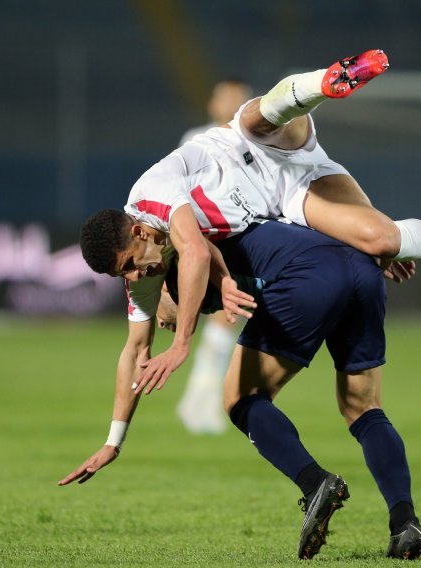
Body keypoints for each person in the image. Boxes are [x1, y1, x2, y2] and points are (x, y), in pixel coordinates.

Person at [77, 49, 421, 393]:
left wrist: (180, 343)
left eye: (136, 271)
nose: (140, 278)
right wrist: (113, 440)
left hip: (254, 142)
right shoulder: (157, 261)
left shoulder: (158, 200)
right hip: (286, 196)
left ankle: (328, 80)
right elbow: (141, 337)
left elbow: (196, 253)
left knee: (263, 117)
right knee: (383, 241)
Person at [59, 218, 421, 560]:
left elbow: (199, 258)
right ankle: (404, 523)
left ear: (139, 232)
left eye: (128, 264)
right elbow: (136, 351)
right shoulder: (174, 242)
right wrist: (370, 244)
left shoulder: (188, 225)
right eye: (122, 273)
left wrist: (179, 330)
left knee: (239, 397)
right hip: (354, 263)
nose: (134, 276)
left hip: (307, 275)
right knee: (363, 408)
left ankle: (316, 484)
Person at [177, 79, 253, 436]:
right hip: (207, 236)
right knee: (225, 314)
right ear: (213, 103)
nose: (233, 103)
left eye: (240, 98)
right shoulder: (195, 138)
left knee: (228, 317)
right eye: (227, 97)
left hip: (244, 235)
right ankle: (202, 405)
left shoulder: (256, 138)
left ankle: (197, 402)